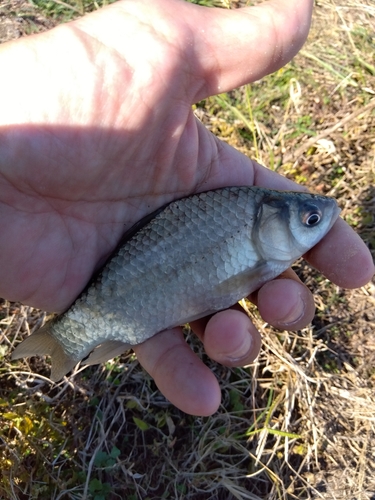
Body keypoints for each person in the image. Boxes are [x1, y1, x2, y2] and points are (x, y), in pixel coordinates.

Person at [0, 0, 373, 416]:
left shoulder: (245, 220)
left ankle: (69, 339)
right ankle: (65, 339)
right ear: (272, 222)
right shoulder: (246, 225)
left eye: (312, 219)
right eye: (310, 220)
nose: (316, 225)